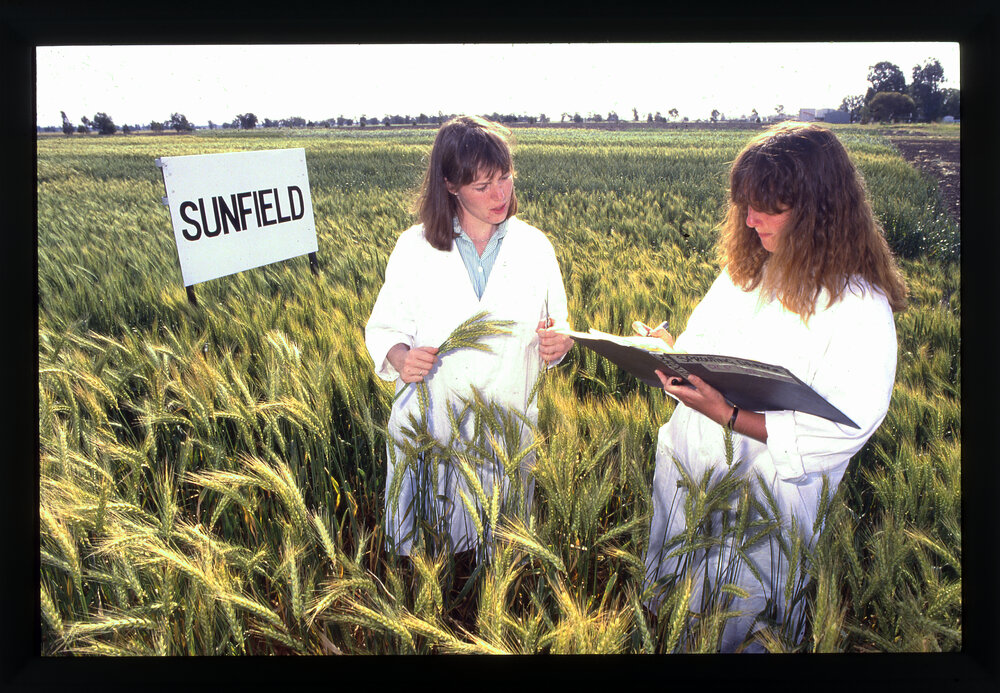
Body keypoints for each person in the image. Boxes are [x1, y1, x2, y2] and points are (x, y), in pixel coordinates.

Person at [641, 122, 908, 652]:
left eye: (768, 207)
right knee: (676, 615)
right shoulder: (745, 275)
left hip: (770, 498)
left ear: (818, 210)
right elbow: (704, 347)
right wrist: (668, 352)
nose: (749, 219)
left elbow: (848, 425)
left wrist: (732, 418)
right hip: (692, 468)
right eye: (745, 203)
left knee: (744, 628)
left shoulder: (859, 306)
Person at [365, 115, 574, 558]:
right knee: (429, 550)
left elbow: (557, 328)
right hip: (432, 426)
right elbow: (384, 328)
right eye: (482, 186)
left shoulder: (536, 248)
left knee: (497, 553)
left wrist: (559, 344)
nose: (499, 195)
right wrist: (401, 357)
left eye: (505, 179)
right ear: (450, 186)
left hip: (505, 425)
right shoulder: (414, 247)